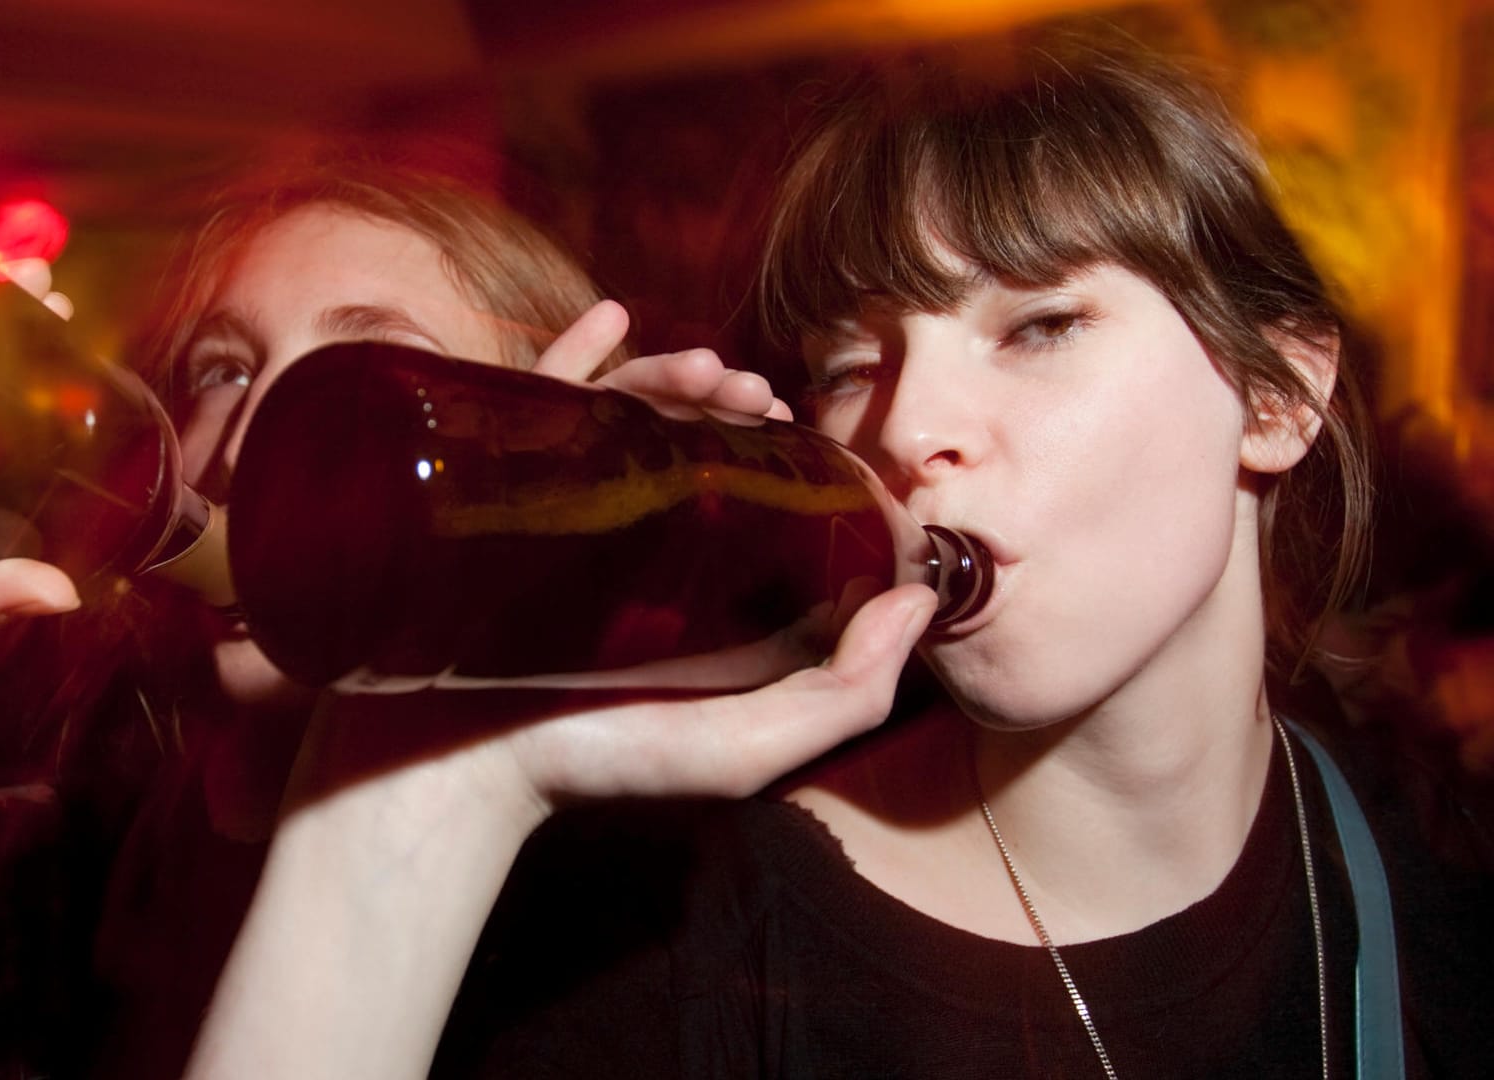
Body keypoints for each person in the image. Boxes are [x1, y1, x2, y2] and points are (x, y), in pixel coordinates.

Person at [191, 33, 1494, 1080]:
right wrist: (421, 794)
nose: (908, 427)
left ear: (1274, 399)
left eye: (1037, 324)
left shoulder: (1433, 854)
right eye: (854, 363)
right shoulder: (689, 956)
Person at [0, 147, 788, 1078]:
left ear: (557, 452)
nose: (257, 437)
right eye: (220, 368)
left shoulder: (688, 945)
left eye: (366, 376)